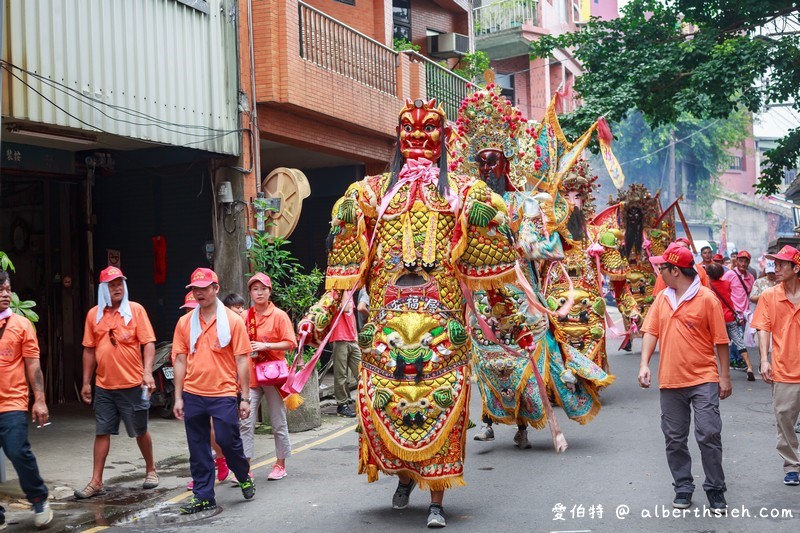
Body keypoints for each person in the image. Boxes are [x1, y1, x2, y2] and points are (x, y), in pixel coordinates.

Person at [300, 98, 534, 528]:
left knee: (438, 410)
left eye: (429, 128)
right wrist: (317, 319)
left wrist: (513, 323)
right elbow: (344, 275)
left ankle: (437, 501)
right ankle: (406, 476)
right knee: (388, 407)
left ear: (443, 137)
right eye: (409, 127)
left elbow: (489, 276)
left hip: (443, 332)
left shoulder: (464, 191)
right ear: (398, 134)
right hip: (386, 333)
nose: (418, 135)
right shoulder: (368, 194)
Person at [638, 243, 732, 513]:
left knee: (709, 434)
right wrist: (644, 364)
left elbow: (721, 341)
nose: (659, 272)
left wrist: (724, 376)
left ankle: (715, 489)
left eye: (662, 268)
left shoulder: (707, 299)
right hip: (670, 380)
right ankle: (683, 486)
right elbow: (650, 332)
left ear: (675, 271)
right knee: (674, 438)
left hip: (704, 377)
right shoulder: (662, 299)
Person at [172, 268, 255, 514]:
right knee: (197, 447)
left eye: (204, 288)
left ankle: (242, 474)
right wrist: (177, 397)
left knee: (227, 440)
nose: (199, 293)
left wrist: (246, 398)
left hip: (224, 392)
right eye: (195, 289)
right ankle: (204, 495)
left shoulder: (232, 320)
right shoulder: (185, 322)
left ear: (216, 288)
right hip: (193, 392)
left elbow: (242, 360)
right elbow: (179, 360)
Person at [76, 266, 159, 499]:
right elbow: (89, 350)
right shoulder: (94, 315)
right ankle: (96, 481)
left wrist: (148, 372)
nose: (117, 288)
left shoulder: (135, 310)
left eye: (119, 283)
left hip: (133, 384)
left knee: (140, 430)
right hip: (104, 386)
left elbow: (149, 343)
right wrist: (86, 382)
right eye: (111, 285)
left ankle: (151, 470)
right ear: (103, 288)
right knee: (102, 432)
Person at [0, 271, 53, 529]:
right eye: (0, 288)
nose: (5, 292)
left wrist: (40, 400)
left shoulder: (22, 325)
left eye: (7, 288)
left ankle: (39, 497)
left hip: (12, 403)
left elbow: (33, 365)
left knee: (17, 451)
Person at [239, 272, 298, 481]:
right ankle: (244, 468)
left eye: (263, 288)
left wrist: (267, 345)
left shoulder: (279, 315)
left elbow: (291, 343)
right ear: (250, 293)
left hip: (273, 376)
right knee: (245, 421)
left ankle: (280, 464)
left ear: (269, 291)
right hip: (251, 376)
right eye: (255, 289)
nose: (259, 292)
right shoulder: (245, 316)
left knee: (278, 420)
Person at [750, 245, 800, 486]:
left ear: (796, 267)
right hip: (784, 369)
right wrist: (764, 359)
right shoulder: (769, 296)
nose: (776, 268)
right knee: (785, 420)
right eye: (775, 264)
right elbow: (763, 328)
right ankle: (791, 465)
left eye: (781, 264)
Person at [181, 291, 231, 490]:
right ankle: (205, 474)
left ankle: (225, 461)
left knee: (216, 432)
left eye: (191, 309)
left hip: (218, 389)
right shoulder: (186, 325)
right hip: (193, 388)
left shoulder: (222, 323)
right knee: (197, 438)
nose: (189, 312)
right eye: (186, 309)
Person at [706, 263, 755, 381]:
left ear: (709, 275)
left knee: (717, 344)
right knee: (739, 342)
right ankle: (749, 367)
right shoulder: (726, 283)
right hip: (731, 318)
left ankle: (717, 370)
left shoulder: (708, 286)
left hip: (717, 319)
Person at [723, 250, 755, 373]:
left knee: (739, 336)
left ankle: (736, 359)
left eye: (745, 261)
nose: (743, 263)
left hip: (745, 312)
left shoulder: (750, 277)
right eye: (740, 260)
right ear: (736, 261)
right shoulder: (730, 275)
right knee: (738, 336)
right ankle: (734, 359)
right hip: (733, 311)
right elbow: (723, 289)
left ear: (748, 262)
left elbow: (750, 293)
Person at [329, 298, 361, 418]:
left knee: (361, 371)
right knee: (341, 374)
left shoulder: (350, 293)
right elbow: (346, 308)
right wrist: (345, 288)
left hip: (351, 339)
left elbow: (351, 315)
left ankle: (365, 399)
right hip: (339, 337)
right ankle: (341, 405)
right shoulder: (336, 294)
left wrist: (355, 336)